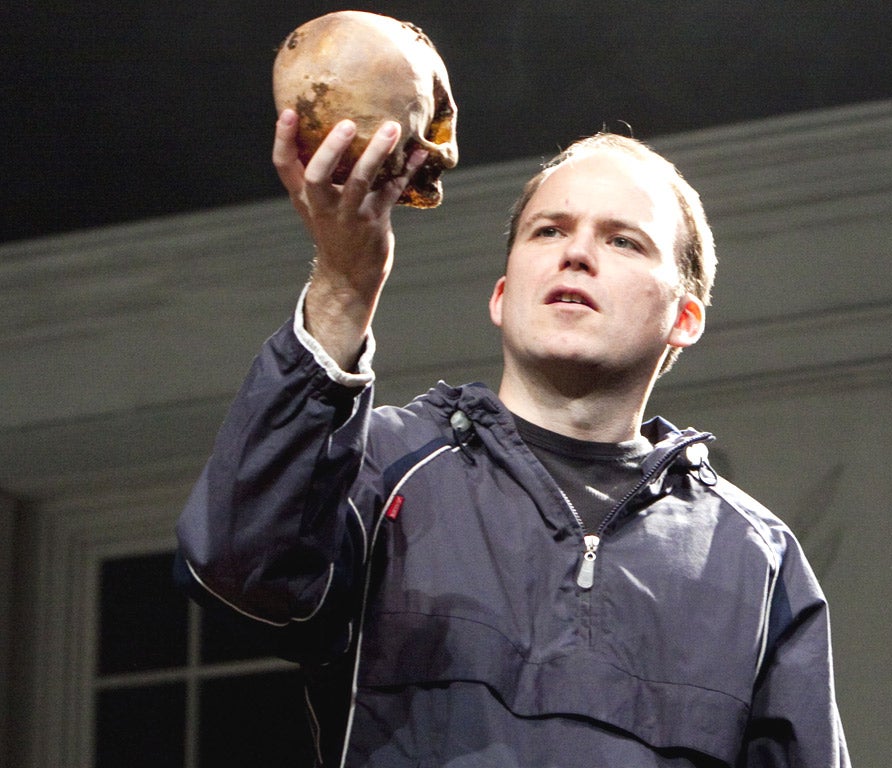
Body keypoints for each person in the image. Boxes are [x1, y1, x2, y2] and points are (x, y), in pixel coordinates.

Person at [176, 108, 851, 767]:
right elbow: (237, 569)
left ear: (684, 318)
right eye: (549, 231)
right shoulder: (384, 466)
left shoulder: (754, 560)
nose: (577, 254)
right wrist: (342, 289)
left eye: (622, 240)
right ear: (503, 295)